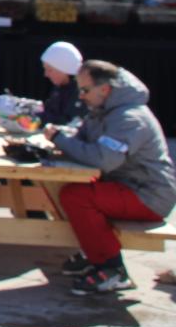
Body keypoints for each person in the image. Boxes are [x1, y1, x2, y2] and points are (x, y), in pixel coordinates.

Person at [46, 61, 176, 296]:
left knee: (77, 197)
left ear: (104, 89)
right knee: (70, 189)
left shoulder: (130, 118)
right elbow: (83, 140)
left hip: (149, 195)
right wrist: (61, 136)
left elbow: (103, 159)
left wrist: (61, 141)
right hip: (127, 186)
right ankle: (94, 253)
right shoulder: (103, 110)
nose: (81, 96)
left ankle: (113, 269)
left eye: (85, 90)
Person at [40, 40, 85, 126]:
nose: (46, 74)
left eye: (49, 70)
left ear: (64, 69)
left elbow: (67, 122)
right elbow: (50, 112)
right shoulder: (59, 87)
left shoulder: (81, 92)